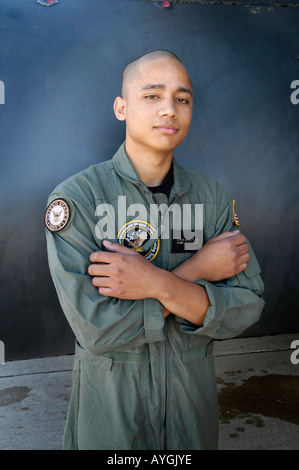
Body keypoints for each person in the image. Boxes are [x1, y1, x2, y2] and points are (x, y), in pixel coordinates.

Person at [45, 50, 265, 450]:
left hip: (191, 418)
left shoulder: (210, 197)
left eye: (182, 98)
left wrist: (153, 283)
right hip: (113, 418)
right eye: (152, 95)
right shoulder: (78, 199)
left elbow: (246, 306)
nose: (170, 109)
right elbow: (99, 329)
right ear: (121, 107)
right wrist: (195, 271)